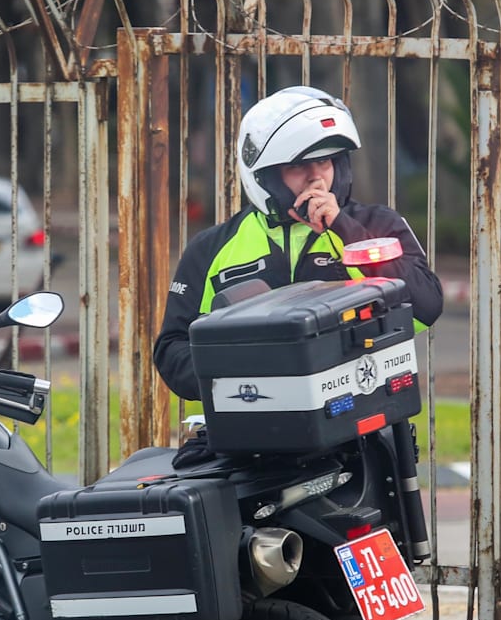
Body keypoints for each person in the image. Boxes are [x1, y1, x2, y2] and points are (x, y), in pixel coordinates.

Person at [152, 86, 445, 401]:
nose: (316, 178)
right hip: (252, 420)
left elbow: (426, 307)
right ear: (265, 176)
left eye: (326, 163)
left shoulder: (376, 226)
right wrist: (246, 369)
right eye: (298, 166)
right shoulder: (212, 248)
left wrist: (343, 229)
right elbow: (172, 351)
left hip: (359, 425)